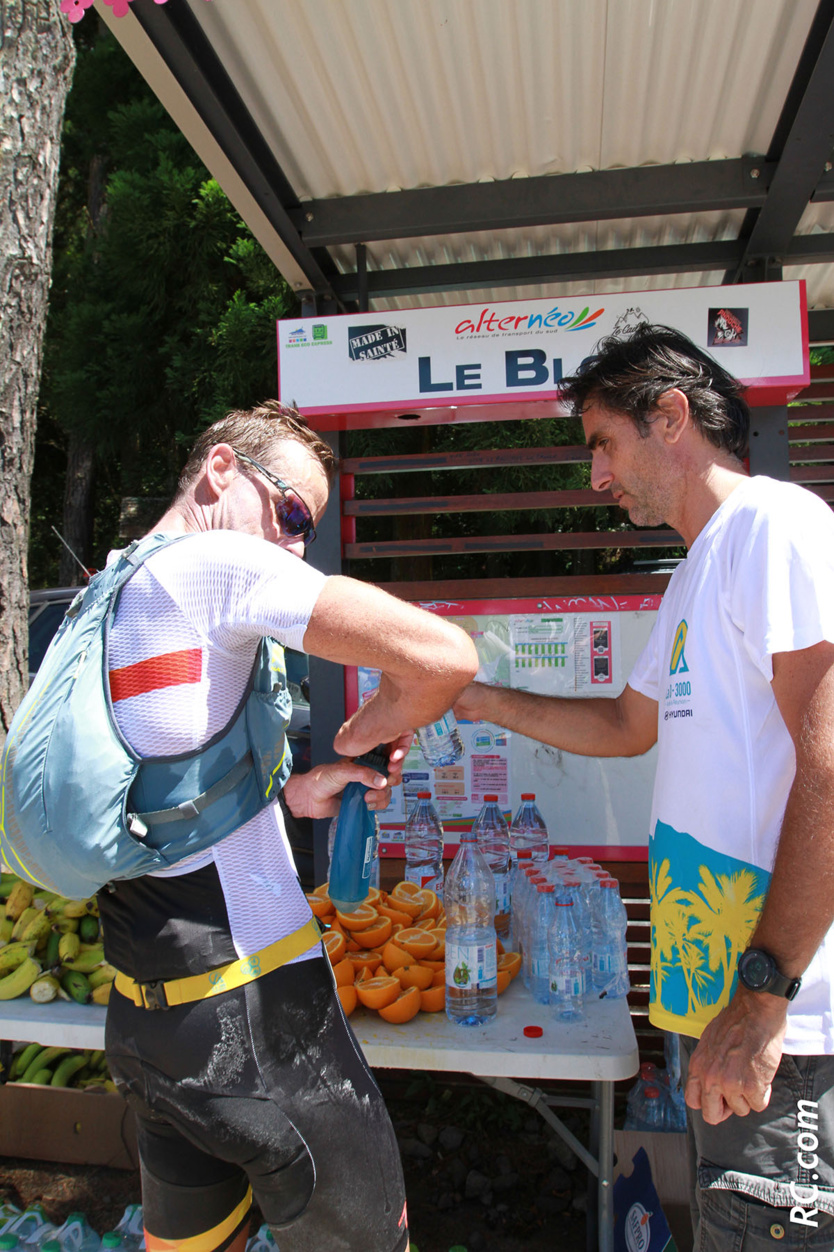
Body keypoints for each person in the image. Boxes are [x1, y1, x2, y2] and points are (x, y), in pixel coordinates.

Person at [455, 325, 834, 1249]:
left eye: (602, 442)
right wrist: (465, 694)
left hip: (790, 1027)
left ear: (672, 417)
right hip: (728, 1011)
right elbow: (627, 728)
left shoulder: (776, 526)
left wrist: (765, 994)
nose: (596, 474)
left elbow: (831, 763)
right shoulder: (695, 569)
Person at [98, 401, 478, 1252]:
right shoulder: (214, 562)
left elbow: (165, 797)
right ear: (221, 471)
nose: (297, 545)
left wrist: (301, 792)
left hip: (147, 1024)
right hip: (259, 1020)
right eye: (293, 513)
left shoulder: (115, 583)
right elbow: (446, 657)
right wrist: (369, 729)